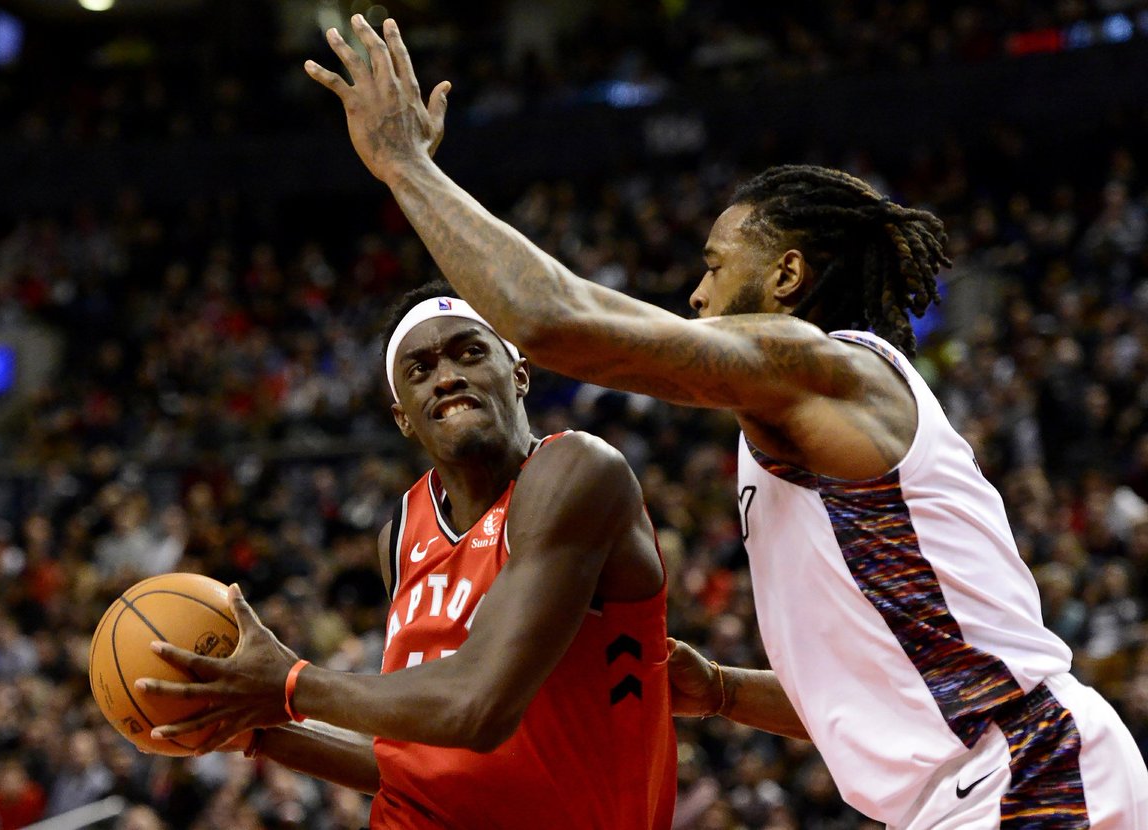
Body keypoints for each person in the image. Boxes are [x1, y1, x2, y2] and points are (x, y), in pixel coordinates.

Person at [301, 15, 1148, 828]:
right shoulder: (802, 432)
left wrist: (404, 166)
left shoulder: (821, 366)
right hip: (979, 782)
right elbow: (893, 687)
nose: (696, 294)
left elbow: (551, 319)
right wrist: (724, 690)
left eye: (713, 267)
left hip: (1024, 769)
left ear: (785, 277)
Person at [137, 281, 677, 829]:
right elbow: (410, 761)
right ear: (402, 417)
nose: (446, 377)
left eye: (470, 352)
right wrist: (259, 732)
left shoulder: (577, 472)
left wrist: (291, 684)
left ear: (520, 374)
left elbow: (477, 707)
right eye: (420, 369)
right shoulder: (400, 533)